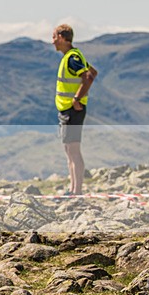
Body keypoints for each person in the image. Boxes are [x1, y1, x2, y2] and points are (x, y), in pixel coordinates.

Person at [52, 24, 98, 196]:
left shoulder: (72, 57)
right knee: (68, 150)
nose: (53, 41)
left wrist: (77, 99)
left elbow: (88, 76)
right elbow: (93, 72)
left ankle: (77, 192)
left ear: (63, 38)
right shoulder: (71, 57)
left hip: (72, 110)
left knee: (73, 150)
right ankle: (73, 190)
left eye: (54, 37)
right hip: (66, 111)